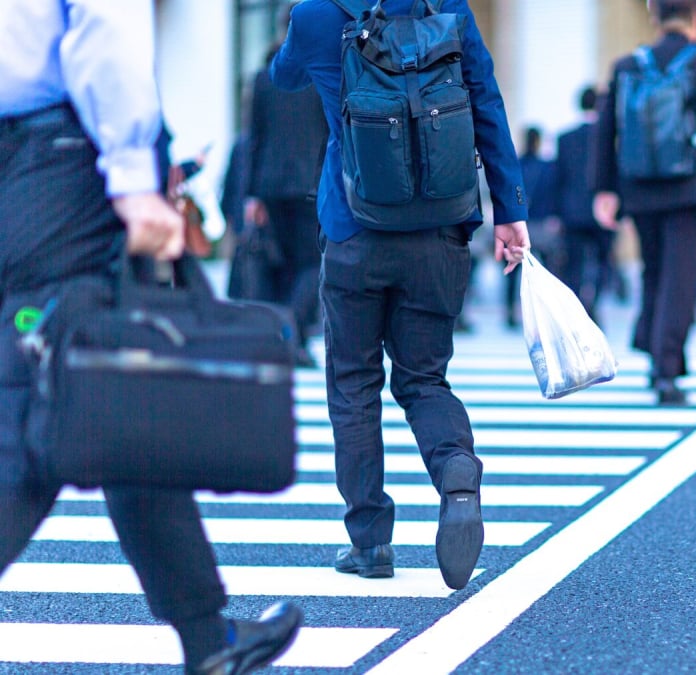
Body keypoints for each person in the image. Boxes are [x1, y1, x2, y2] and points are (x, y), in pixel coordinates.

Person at [0, 3, 302, 674]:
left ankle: (209, 637)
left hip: (23, 166)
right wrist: (135, 177)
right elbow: (103, 26)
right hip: (53, 157)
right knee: (34, 404)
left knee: (126, 388)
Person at [270, 0, 530, 589]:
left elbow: (283, 77)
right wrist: (509, 210)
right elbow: (486, 101)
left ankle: (370, 544)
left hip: (355, 231)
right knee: (423, 379)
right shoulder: (449, 9)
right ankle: (456, 470)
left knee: (354, 383)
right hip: (439, 230)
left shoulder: (315, 14)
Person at [593, 0, 696, 406]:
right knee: (681, 279)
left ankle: (656, 351)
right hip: (692, 187)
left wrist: (604, 188)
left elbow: (605, 129)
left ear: (655, 18)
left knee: (654, 270)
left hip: (639, 186)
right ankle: (666, 370)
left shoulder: (627, 65)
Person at [243, 2, 329, 366]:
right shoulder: (323, 75)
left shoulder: (264, 78)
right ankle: (290, 330)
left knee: (285, 266)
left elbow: (253, 139)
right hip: (311, 183)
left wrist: (250, 194)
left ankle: (287, 337)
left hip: (271, 185)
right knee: (311, 264)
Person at [555, 86, 617, 325]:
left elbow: (558, 178)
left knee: (573, 264)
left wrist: (557, 212)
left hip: (572, 212)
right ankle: (594, 303)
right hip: (603, 211)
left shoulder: (565, 138)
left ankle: (577, 307)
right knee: (604, 262)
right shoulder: (608, 138)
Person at [505, 126, 558, 329]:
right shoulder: (547, 167)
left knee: (513, 271)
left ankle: (510, 310)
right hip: (542, 224)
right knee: (546, 271)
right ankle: (547, 312)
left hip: (518, 224)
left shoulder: (514, 165)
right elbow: (553, 194)